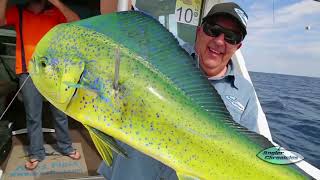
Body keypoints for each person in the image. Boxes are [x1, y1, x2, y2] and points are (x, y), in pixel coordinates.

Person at [97, 2, 261, 179]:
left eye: (231, 37)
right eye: (213, 29)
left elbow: (252, 156)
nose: (219, 41)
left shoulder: (245, 93)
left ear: (238, 47)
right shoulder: (165, 54)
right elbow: (115, 11)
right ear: (199, 31)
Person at [0, 0, 80, 170]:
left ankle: (66, 146)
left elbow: (76, 22)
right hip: (28, 71)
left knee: (60, 112)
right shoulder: (18, 11)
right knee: (32, 116)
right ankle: (36, 152)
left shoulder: (55, 11)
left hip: (54, 72)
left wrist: (57, 2)